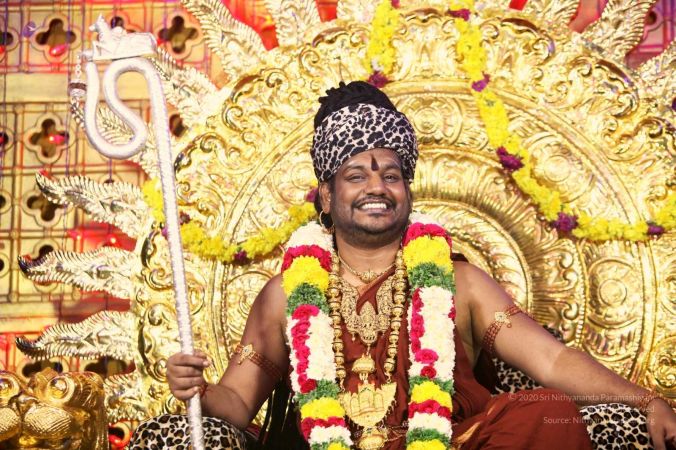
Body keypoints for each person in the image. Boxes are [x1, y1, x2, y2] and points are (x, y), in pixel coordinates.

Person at [141, 82, 676, 449]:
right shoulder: (286, 294)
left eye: (391, 175)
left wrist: (646, 400)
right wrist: (199, 391)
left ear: (408, 191)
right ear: (325, 196)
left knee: (546, 412)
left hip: (447, 442)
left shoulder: (460, 282)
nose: (376, 186)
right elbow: (238, 401)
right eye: (356, 175)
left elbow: (553, 362)